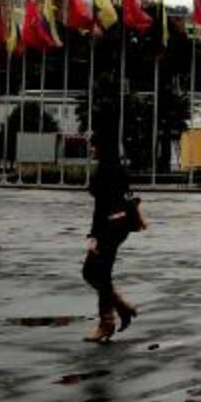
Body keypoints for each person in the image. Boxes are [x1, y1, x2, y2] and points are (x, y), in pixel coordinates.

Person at [82, 136, 144, 343]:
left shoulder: (107, 171)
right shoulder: (113, 168)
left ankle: (108, 321)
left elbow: (102, 209)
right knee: (96, 273)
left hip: (109, 228)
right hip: (117, 227)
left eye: (94, 144)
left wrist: (94, 237)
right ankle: (121, 309)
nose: (91, 149)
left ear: (103, 147)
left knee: (95, 272)